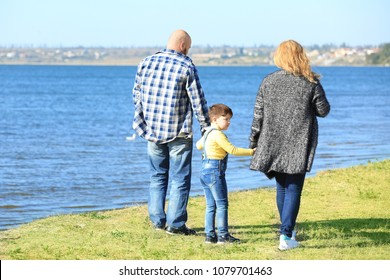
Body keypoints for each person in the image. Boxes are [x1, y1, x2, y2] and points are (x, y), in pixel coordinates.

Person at [249, 40, 330, 250]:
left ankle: (288, 231)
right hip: (298, 142)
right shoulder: (310, 82)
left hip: (272, 142)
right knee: (293, 188)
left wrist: (254, 142)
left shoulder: (268, 81)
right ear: (301, 56)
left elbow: (258, 115)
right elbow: (323, 110)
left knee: (282, 187)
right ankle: (285, 236)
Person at [132, 30, 210, 235]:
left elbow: (136, 96)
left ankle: (157, 221)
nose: (188, 51)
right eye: (189, 47)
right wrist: (206, 129)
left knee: (157, 176)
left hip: (152, 130)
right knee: (179, 178)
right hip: (179, 133)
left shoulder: (146, 62)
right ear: (183, 45)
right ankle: (175, 224)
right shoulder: (186, 66)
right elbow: (198, 102)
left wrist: (144, 120)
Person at [196, 104, 255, 244]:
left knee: (211, 205)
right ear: (215, 119)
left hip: (204, 170)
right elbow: (232, 150)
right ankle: (223, 235)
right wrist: (252, 152)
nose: (229, 122)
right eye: (226, 119)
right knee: (222, 204)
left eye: (229, 119)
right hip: (215, 170)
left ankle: (209, 236)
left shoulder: (208, 132)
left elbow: (198, 146)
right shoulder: (218, 134)